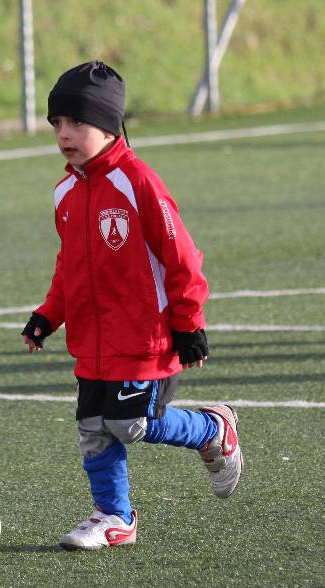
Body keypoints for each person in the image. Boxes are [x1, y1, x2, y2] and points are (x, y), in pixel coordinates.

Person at [21, 61, 242, 551]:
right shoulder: (65, 192)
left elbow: (182, 257)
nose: (64, 134)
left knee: (131, 423)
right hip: (93, 343)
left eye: (76, 122)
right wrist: (47, 315)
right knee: (93, 430)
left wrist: (190, 325)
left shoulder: (138, 182)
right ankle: (114, 518)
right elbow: (69, 268)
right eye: (57, 123)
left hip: (145, 337)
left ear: (108, 124)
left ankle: (212, 428)